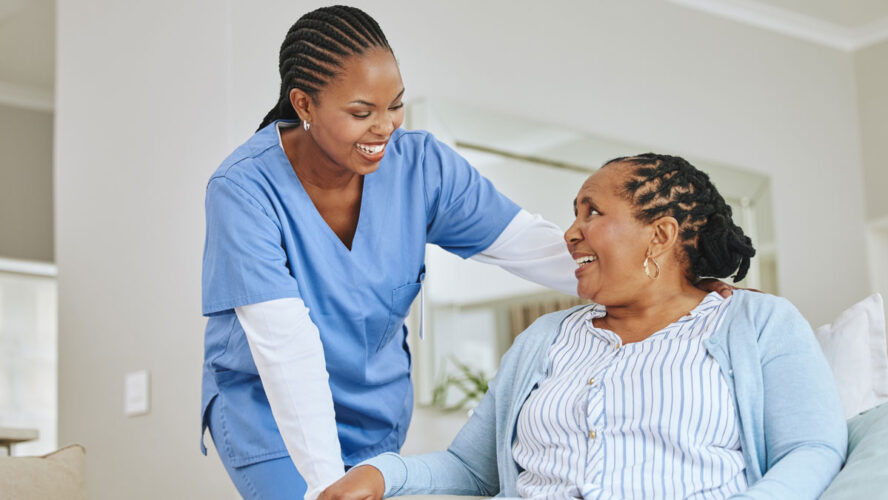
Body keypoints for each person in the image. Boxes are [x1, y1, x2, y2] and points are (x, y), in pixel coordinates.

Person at [200, 6, 732, 499]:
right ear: (303, 104)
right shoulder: (244, 189)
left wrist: (677, 283)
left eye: (396, 105)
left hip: (376, 414)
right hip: (270, 412)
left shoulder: (421, 167)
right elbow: (283, 347)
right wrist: (323, 485)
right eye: (362, 112)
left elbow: (533, 247)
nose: (385, 127)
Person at [322, 154, 848, 500]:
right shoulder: (544, 339)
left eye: (591, 212)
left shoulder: (757, 323)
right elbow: (474, 470)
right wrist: (385, 474)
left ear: (660, 235)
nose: (571, 233)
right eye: (575, 214)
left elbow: (811, 449)